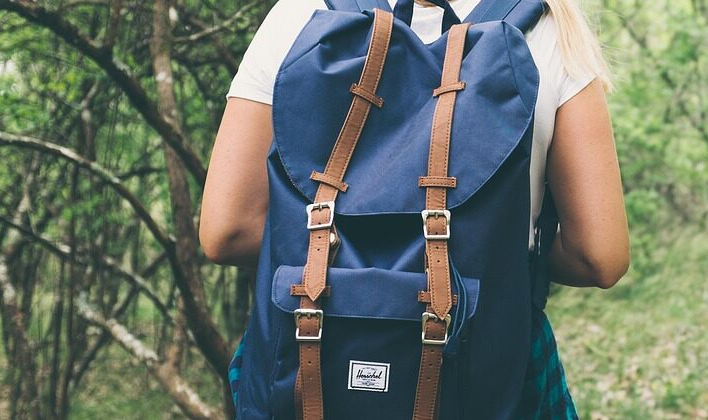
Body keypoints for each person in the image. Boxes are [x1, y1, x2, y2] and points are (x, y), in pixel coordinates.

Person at [199, 0, 629, 416]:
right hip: (485, 369)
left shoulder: (299, 15)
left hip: (308, 359)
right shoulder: (551, 28)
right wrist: (500, 261)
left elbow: (228, 230)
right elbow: (598, 256)